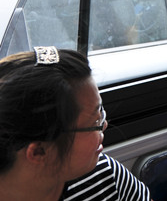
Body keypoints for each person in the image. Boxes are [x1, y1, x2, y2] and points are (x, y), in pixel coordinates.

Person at [0, 46, 150, 201]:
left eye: (101, 112)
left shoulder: (104, 174)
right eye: (95, 121)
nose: (104, 124)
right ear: (39, 151)